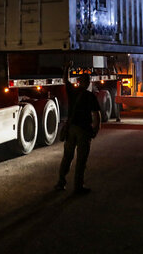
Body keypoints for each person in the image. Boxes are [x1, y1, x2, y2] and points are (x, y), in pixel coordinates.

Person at [55, 66, 101, 194]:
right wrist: (96, 129)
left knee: (67, 157)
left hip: (71, 129)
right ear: (88, 83)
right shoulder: (90, 96)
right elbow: (96, 115)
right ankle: (78, 186)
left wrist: (67, 68)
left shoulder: (72, 92)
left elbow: (65, 80)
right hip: (84, 130)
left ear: (79, 82)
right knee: (81, 160)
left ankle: (61, 182)